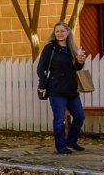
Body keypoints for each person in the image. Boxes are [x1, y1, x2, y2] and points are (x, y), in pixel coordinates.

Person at [37, 22, 87, 154]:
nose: (59, 33)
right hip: (56, 89)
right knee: (59, 120)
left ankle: (71, 141)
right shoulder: (50, 48)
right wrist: (42, 84)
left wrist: (80, 61)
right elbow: (41, 67)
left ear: (68, 32)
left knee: (80, 116)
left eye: (62, 31)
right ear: (54, 33)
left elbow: (77, 68)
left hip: (71, 88)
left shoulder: (72, 48)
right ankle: (61, 146)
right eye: (57, 31)